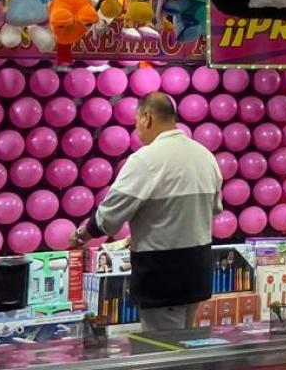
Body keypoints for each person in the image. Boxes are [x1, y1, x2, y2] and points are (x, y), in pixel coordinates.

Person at [72, 92, 223, 333]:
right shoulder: (205, 156)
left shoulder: (145, 160)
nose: (137, 132)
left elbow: (110, 215)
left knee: (163, 350)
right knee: (188, 343)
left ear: (146, 117)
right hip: (198, 270)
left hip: (162, 273)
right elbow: (211, 211)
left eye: (135, 124)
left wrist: (82, 235)